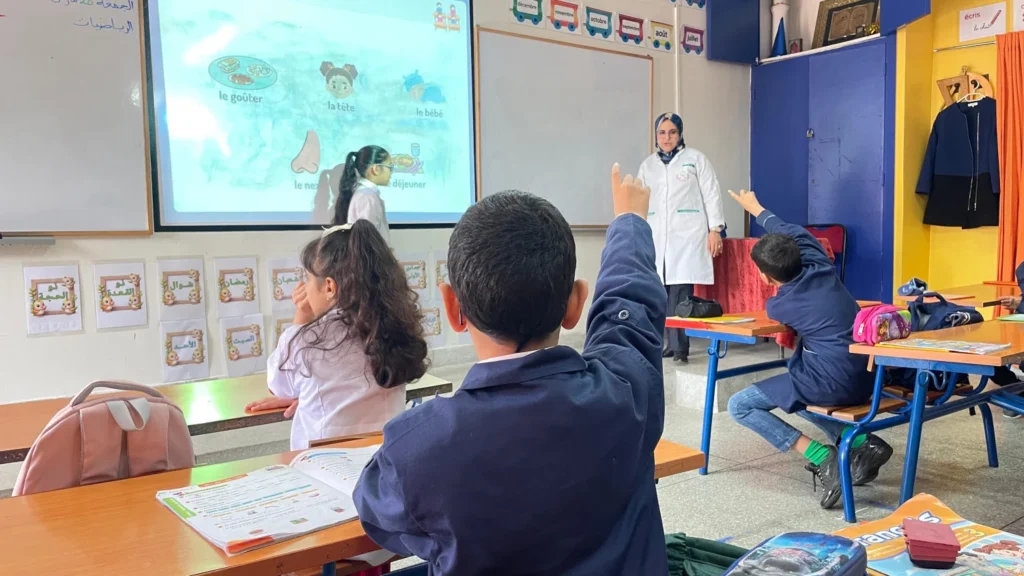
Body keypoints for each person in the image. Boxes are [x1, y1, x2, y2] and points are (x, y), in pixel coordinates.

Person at [352, 165, 670, 575]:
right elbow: (630, 307)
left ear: (452, 308)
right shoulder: (628, 392)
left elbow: (378, 514)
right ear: (575, 304)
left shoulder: (416, 448)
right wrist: (629, 221)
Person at [725, 189, 893, 510]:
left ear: (765, 277)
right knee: (791, 393)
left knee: (740, 406)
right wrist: (756, 208)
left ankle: (823, 457)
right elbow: (789, 229)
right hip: (868, 375)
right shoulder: (819, 262)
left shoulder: (781, 306)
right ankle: (862, 443)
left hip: (834, 383)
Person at [246, 221, 428, 450]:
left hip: (325, 464)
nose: (305, 288)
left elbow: (278, 386)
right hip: (386, 459)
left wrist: (302, 316)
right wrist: (308, 395)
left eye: (308, 279)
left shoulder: (307, 339)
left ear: (330, 287)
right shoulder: (395, 330)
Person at [638, 113, 725, 363]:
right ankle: (669, 343)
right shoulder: (648, 166)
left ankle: (679, 348)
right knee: (660, 292)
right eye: (662, 132)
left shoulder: (696, 160)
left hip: (687, 236)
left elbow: (711, 193)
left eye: (672, 132)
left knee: (680, 293)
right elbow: (640, 199)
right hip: (657, 235)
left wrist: (715, 229)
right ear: (656, 136)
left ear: (680, 134)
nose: (667, 138)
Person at [328, 145, 394, 243]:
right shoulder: (367, 197)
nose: (391, 172)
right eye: (390, 167)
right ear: (376, 169)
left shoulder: (367, 194)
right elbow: (366, 239)